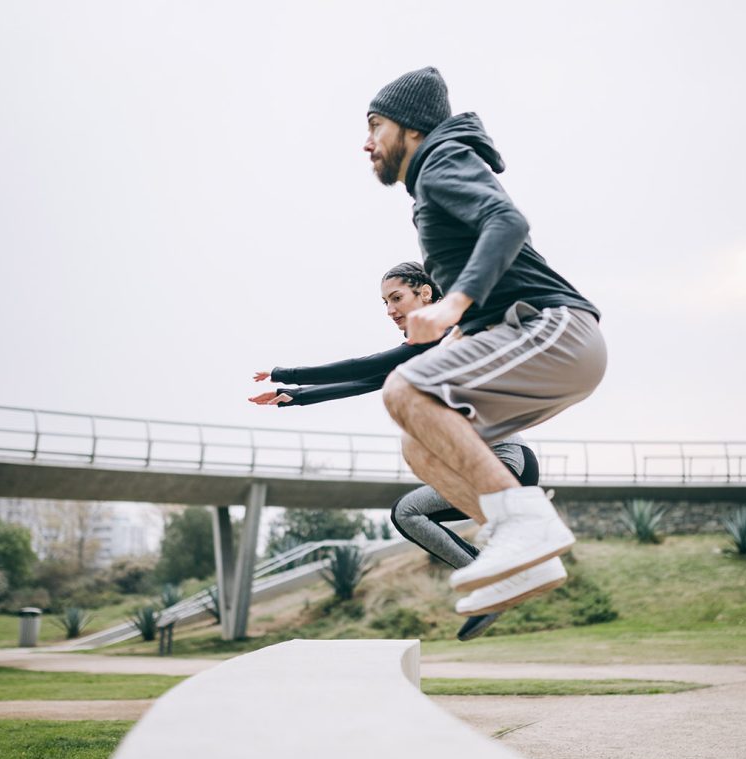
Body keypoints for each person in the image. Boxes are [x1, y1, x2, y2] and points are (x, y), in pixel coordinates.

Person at [363, 67, 607, 618]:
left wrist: (453, 303)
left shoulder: (440, 159)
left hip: (554, 328)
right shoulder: (432, 181)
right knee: (420, 444)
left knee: (404, 390)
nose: (367, 142)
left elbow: (507, 221)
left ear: (411, 128)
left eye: (376, 126)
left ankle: (527, 525)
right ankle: (526, 557)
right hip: (537, 339)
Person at [250, 261, 540, 640]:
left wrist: (286, 373)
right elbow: (366, 380)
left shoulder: (443, 334)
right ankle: (499, 578)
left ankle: (496, 579)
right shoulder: (426, 346)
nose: (390, 310)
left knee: (408, 510)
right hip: (503, 464)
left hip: (504, 461)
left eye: (397, 298)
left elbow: (365, 366)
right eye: (385, 303)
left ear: (425, 293)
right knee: (409, 512)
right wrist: (296, 396)